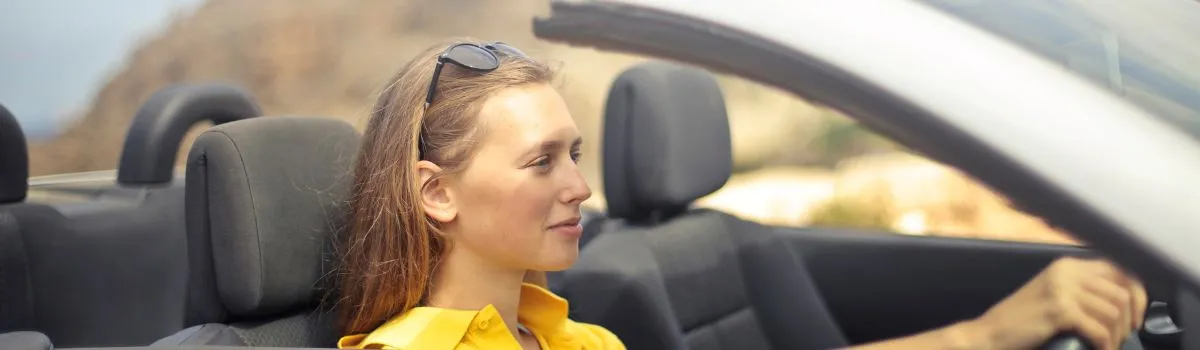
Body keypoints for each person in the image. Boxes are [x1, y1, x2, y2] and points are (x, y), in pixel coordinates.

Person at [335, 38, 1148, 350]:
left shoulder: (576, 338)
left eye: (575, 154)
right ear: (436, 194)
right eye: (541, 161)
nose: (581, 186)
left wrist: (988, 335)